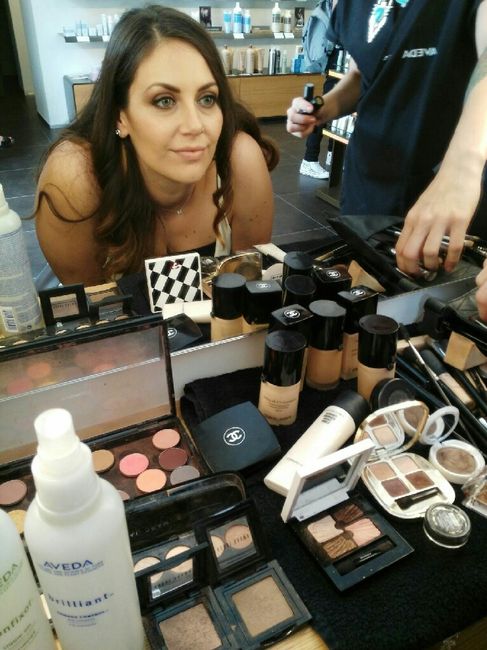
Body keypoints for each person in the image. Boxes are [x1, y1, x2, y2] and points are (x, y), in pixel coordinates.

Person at [34, 5, 278, 286]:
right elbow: (95, 306)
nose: (195, 125)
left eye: (207, 99)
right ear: (120, 115)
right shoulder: (75, 178)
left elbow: (248, 289)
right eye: (164, 101)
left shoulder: (239, 161)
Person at [286, 0, 487, 278]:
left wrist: (461, 170)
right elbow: (360, 74)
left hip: (452, 192)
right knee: (365, 290)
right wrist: (323, 108)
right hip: (368, 186)